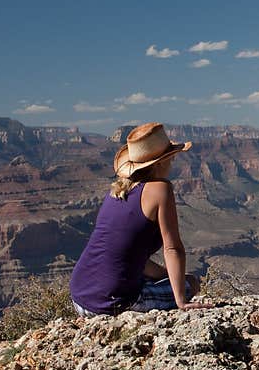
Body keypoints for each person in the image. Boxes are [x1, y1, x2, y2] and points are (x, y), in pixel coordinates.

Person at [70, 122, 211, 316]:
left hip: (80, 297)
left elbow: (126, 253)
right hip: (112, 303)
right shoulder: (160, 188)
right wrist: (181, 300)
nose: (172, 163)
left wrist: (165, 276)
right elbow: (173, 248)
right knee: (191, 283)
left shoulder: (116, 191)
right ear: (160, 162)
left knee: (168, 278)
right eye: (170, 158)